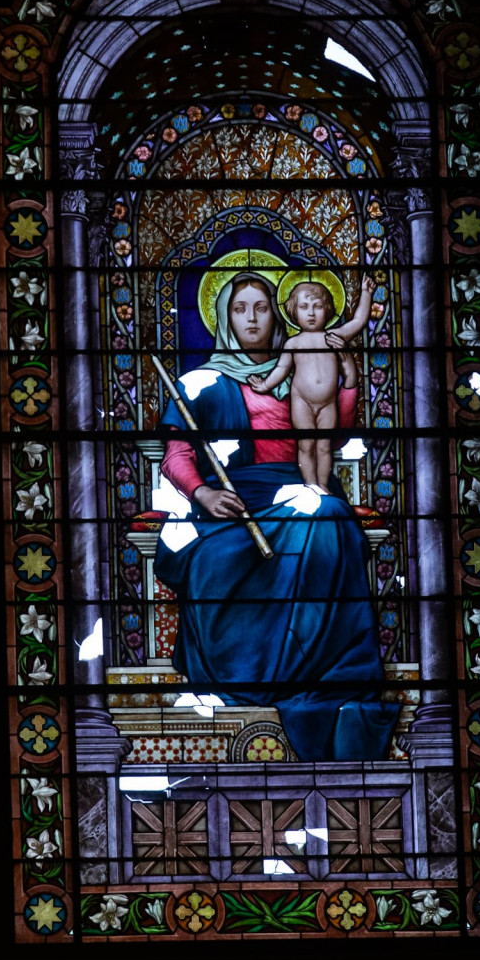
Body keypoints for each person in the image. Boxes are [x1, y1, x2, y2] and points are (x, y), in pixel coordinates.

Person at [153, 266, 398, 763]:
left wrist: (346, 377)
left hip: (300, 486)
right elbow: (177, 454)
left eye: (261, 307)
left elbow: (336, 429)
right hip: (231, 507)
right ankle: (245, 676)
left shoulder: (298, 367)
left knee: (327, 517)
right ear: (222, 317)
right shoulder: (201, 383)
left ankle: (323, 675)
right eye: (240, 308)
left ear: (277, 315)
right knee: (215, 563)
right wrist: (203, 495)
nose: (251, 318)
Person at [247, 270, 375, 491]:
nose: (312, 313)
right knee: (306, 445)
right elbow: (281, 369)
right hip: (302, 402)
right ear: (293, 312)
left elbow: (360, 320)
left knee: (324, 446)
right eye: (304, 307)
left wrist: (366, 293)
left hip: (328, 403)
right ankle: (310, 486)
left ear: (327, 310)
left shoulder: (334, 337)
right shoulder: (293, 343)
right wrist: (265, 385)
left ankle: (323, 486)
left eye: (317, 306)